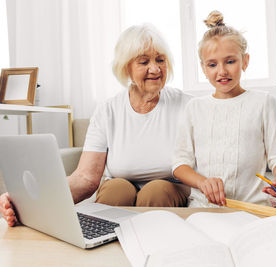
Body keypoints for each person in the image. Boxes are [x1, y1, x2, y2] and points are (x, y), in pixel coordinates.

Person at [0, 23, 192, 226]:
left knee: (156, 191)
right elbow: (85, 177)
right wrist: (28, 202)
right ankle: (102, 249)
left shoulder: (187, 105)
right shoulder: (108, 110)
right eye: (144, 62)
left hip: (171, 189)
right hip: (121, 188)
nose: (155, 68)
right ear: (126, 67)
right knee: (115, 189)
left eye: (160, 60)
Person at [173, 11, 276, 207]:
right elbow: (180, 165)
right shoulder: (194, 108)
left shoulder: (264, 102)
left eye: (230, 61)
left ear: (245, 61)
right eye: (212, 64)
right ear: (203, 69)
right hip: (204, 208)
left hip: (253, 208)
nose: (222, 71)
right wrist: (203, 182)